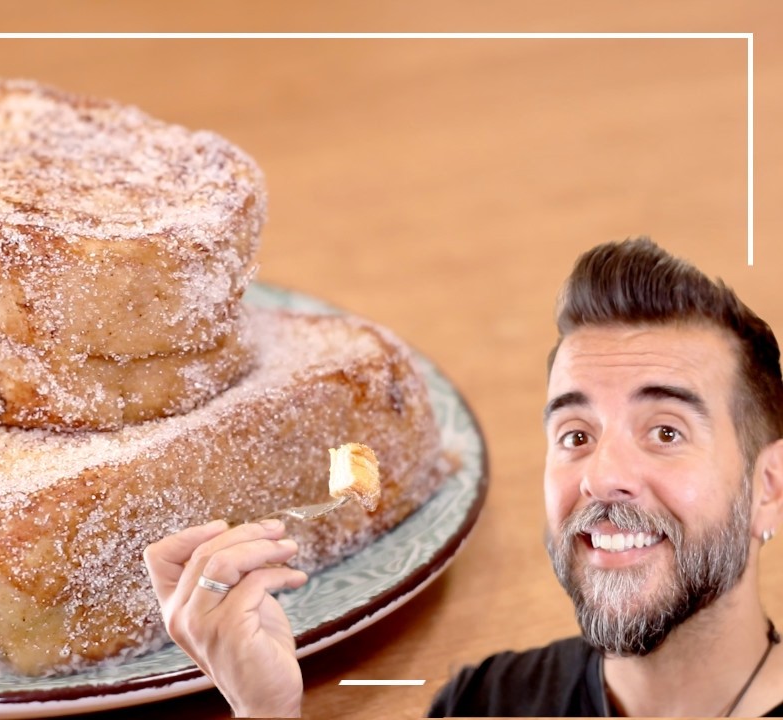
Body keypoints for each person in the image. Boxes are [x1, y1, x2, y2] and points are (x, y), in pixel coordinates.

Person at [143, 238, 783, 717]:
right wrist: (265, 708)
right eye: (576, 437)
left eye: (665, 432)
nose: (603, 476)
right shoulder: (489, 701)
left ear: (769, 488)